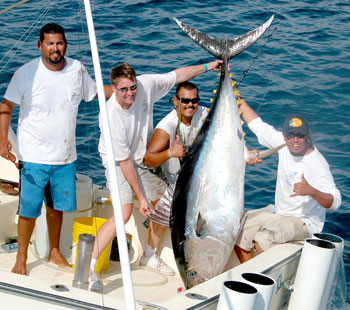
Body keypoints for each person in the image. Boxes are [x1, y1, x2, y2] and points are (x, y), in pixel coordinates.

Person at [91, 61, 223, 290]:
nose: (130, 93)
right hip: (118, 162)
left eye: (132, 87)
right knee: (122, 215)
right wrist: (140, 198)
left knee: (165, 204)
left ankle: (149, 254)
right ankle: (90, 268)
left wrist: (209, 66)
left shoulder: (146, 85)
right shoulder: (110, 116)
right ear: (113, 89)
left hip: (141, 157)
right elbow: (125, 163)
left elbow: (177, 74)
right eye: (123, 89)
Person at [0, 23, 111, 275]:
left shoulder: (77, 69)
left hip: (65, 157)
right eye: (50, 43)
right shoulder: (26, 73)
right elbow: (5, 106)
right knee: (28, 211)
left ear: (65, 45)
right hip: (33, 157)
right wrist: (1, 139)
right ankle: (21, 259)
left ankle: (54, 252)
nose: (55, 48)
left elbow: (94, 94)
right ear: (40, 45)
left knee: (56, 208)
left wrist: (122, 91)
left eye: (59, 43)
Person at [234, 91, 342, 263]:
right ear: (285, 136)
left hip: (303, 221)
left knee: (262, 239)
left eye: (300, 135)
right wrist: (237, 98)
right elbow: (258, 125)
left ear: (308, 135)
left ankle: (267, 279)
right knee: (238, 231)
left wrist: (311, 191)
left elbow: (335, 202)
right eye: (291, 135)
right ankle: (248, 272)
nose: (296, 140)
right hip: (279, 211)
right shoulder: (284, 145)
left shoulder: (316, 163)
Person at [144, 81, 261, 227]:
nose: (190, 105)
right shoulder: (166, 127)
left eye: (194, 101)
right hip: (177, 184)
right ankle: (150, 250)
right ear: (175, 101)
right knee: (163, 219)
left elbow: (229, 129)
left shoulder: (205, 114)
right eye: (185, 100)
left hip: (205, 181)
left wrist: (245, 152)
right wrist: (170, 152)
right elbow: (148, 160)